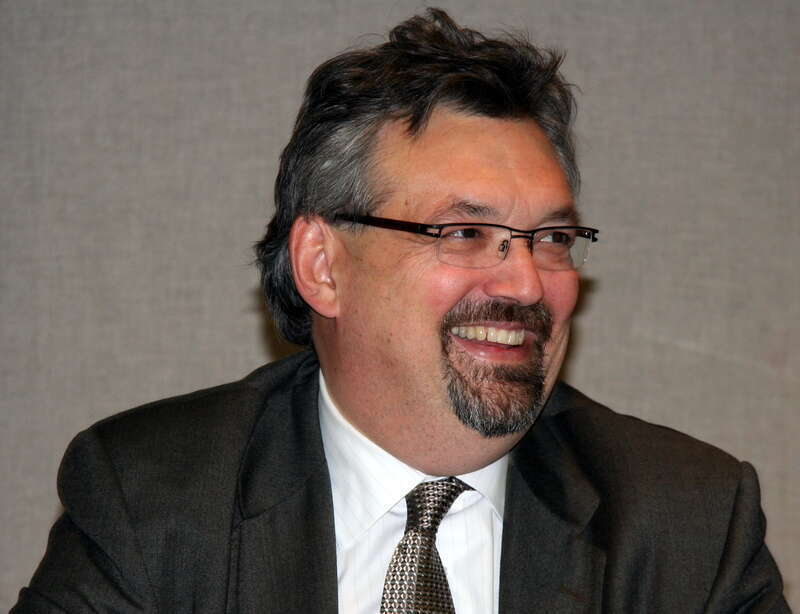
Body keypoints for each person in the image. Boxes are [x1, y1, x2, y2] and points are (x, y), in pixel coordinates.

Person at [12, 8, 789, 614]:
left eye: (550, 237)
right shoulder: (157, 501)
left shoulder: (687, 524)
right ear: (323, 265)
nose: (524, 283)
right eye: (463, 232)